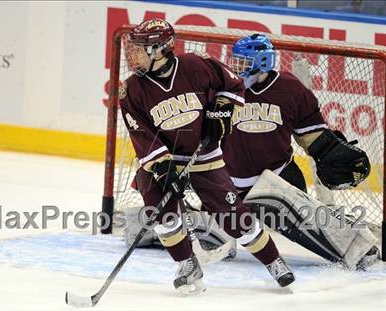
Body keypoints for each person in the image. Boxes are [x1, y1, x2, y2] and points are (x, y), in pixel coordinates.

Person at [119, 19, 295, 295]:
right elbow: (141, 134)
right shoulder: (131, 90)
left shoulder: (195, 65)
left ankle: (274, 261)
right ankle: (187, 264)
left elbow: (233, 86)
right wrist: (164, 169)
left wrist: (223, 111)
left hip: (204, 156)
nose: (134, 55)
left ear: (161, 49)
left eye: (141, 49)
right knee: (162, 212)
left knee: (233, 217)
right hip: (162, 162)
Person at [221, 33, 377, 269]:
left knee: (331, 237)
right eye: (236, 62)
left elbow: (311, 136)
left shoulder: (289, 89)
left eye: (244, 62)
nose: (237, 68)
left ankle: (359, 248)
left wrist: (329, 152)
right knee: (206, 237)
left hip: (276, 181)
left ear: (262, 62)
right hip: (229, 183)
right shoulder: (223, 87)